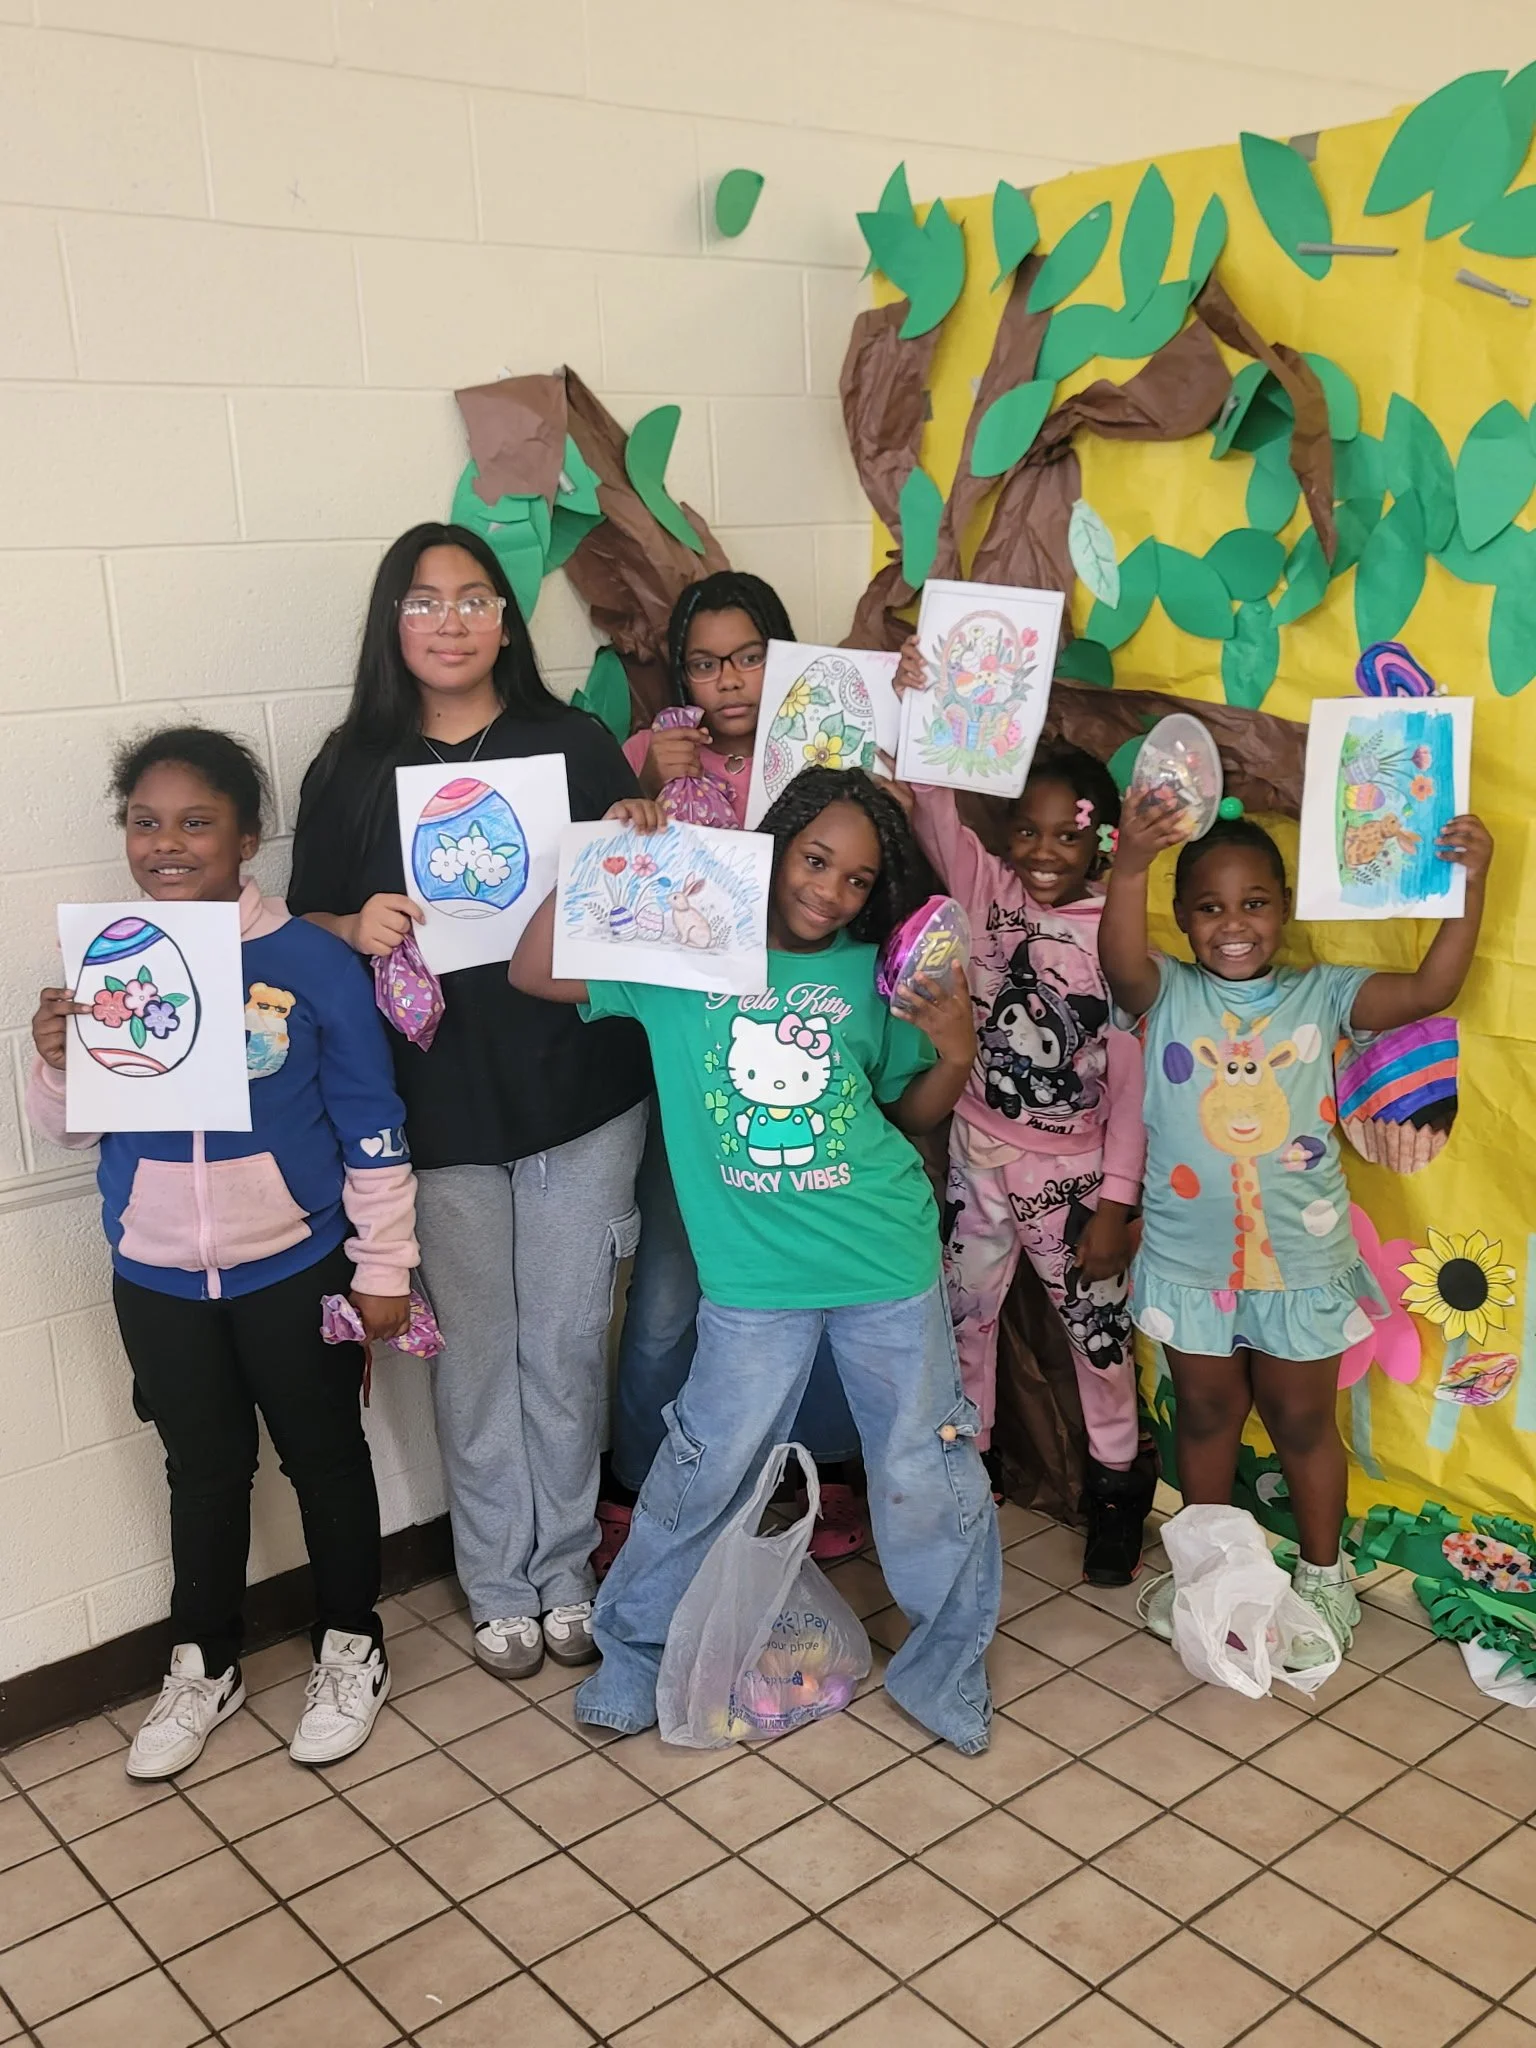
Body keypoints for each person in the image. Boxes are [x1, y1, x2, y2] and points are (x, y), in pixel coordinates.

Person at [511, 767, 1002, 1754]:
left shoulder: (875, 973)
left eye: (859, 879)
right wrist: (607, 856)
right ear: (773, 848)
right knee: (704, 1462)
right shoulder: (686, 955)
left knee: (923, 1466)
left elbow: (910, 1116)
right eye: (816, 860)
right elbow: (532, 970)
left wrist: (954, 1044)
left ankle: (946, 1663)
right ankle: (639, 1652)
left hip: (884, 1258)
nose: (831, 890)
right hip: (751, 1283)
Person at [287, 523, 650, 1683]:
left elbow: (638, 913)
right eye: (424, 599)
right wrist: (352, 926)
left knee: (564, 1346)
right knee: (477, 1352)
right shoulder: (351, 763)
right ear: (393, 622)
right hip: (427, 1110)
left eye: (475, 597)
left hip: (582, 1095)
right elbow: (295, 934)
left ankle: (566, 1569)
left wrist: (642, 829)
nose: (450, 619)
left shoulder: (576, 742)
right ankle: (497, 1577)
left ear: (505, 619)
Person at [28, 730, 417, 1776]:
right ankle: (203, 1660)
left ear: (248, 834)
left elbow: (371, 1120)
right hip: (156, 1276)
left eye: (196, 820)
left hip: (293, 1264)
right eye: (145, 821)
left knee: (326, 1455)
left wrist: (384, 1263)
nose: (166, 843)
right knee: (201, 1470)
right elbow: (71, 1128)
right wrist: (55, 1058)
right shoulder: (111, 957)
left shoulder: (310, 961)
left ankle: (351, 1641)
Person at [1101, 800, 1494, 1655]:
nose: (1233, 924)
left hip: (1304, 1267)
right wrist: (1128, 866)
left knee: (1303, 1423)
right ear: (1182, 917)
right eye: (1209, 906)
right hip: (1188, 1263)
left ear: (1284, 908)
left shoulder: (1328, 993)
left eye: (1254, 903)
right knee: (1203, 1417)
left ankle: (1324, 1574)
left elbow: (1432, 989)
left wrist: (1470, 887)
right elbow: (1121, 961)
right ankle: (1209, 1574)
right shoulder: (1163, 992)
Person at [603, 571, 866, 1572]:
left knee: (826, 1276)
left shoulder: (835, 748)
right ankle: (635, 1481)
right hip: (696, 1077)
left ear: (782, 656)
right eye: (705, 662)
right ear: (682, 677)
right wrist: (644, 791)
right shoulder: (653, 760)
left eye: (749, 655)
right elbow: (608, 893)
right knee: (670, 1291)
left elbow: (883, 853)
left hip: (818, 1053)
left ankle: (824, 1471)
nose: (729, 680)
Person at [885, 663, 1152, 1582]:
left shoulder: (1113, 936)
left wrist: (1117, 1202)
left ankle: (1119, 1490)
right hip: (975, 1155)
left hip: (1074, 1183)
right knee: (965, 1321)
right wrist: (922, 696)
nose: (1042, 852)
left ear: (1101, 844)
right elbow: (930, 798)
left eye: (1064, 836)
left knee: (1100, 1341)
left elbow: (1131, 1087)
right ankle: (971, 1482)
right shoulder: (983, 884)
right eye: (1026, 831)